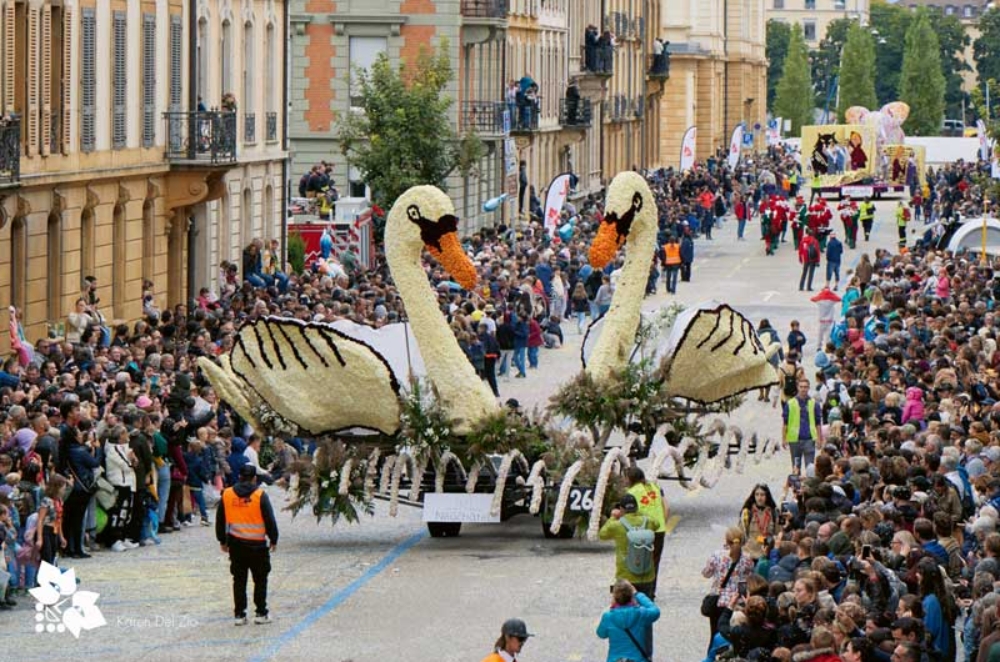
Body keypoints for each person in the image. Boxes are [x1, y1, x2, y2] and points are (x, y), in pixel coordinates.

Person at [216, 464, 279, 626]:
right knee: (260, 579)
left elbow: (220, 520)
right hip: (257, 545)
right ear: (255, 479)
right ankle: (261, 612)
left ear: (239, 477)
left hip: (236, 545)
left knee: (239, 580)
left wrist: (222, 540)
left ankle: (239, 614)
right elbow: (269, 520)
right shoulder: (260, 495)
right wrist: (274, 539)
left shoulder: (227, 494)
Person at [702, 526, 755, 644]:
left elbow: (706, 573)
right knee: (734, 635)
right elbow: (749, 576)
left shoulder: (717, 555)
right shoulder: (747, 558)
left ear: (726, 540)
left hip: (718, 600)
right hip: (737, 602)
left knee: (715, 635)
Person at [598, 494, 658, 599]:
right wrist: (639, 513)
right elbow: (657, 524)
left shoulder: (617, 525)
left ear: (621, 509)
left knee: (626, 607)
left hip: (626, 576)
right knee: (646, 607)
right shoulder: (648, 522)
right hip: (647, 575)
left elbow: (602, 534)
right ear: (636, 507)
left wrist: (613, 517)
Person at [626, 467, 669, 599]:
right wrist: (663, 522)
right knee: (654, 561)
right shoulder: (655, 487)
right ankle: (651, 592)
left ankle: (640, 592)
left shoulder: (631, 492)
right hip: (659, 529)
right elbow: (666, 506)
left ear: (630, 479)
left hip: (642, 531)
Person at [596, 579, 660, 662]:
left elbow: (601, 634)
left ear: (615, 597)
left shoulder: (608, 617)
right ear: (632, 596)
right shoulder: (640, 613)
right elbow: (656, 611)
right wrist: (638, 594)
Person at [782, 378, 823, 475]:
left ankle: (809, 488)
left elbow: (818, 422)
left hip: (809, 439)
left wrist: (819, 438)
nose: (803, 389)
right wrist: (784, 438)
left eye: (805, 387)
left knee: (810, 467)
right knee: (796, 466)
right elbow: (785, 423)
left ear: (808, 388)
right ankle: (796, 486)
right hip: (794, 440)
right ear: (797, 387)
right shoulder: (790, 403)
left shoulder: (814, 404)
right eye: (801, 387)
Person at [738, 483, 778, 560]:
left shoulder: (774, 513)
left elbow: (778, 534)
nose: (759, 498)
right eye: (757, 494)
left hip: (767, 555)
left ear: (767, 496)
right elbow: (741, 534)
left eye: (762, 495)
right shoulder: (747, 513)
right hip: (749, 554)